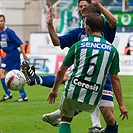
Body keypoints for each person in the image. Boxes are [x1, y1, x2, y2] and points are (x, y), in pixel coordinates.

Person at [22, 0, 119, 132]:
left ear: (97, 17)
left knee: (109, 118)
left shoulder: (104, 30)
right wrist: (50, 25)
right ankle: (95, 125)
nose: (85, 19)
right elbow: (57, 41)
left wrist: (98, 5)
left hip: (102, 77)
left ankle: (94, 124)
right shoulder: (78, 33)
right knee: (70, 84)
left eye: (87, 14)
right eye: (82, 13)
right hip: (84, 75)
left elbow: (113, 21)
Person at [47, 13, 128, 133]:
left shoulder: (78, 45)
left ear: (88, 28)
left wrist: (54, 90)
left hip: (73, 90)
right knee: (109, 119)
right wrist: (121, 105)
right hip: (94, 95)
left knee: (65, 120)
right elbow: (115, 79)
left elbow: (61, 71)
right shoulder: (112, 50)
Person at [0, 14, 28, 102]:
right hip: (9, 54)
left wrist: (24, 54)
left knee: (1, 72)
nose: (0, 23)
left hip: (13, 53)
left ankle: (8, 93)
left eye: (1, 21)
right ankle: (24, 96)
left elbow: (21, 44)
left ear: (4, 22)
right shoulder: (0, 33)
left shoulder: (9, 32)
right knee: (17, 75)